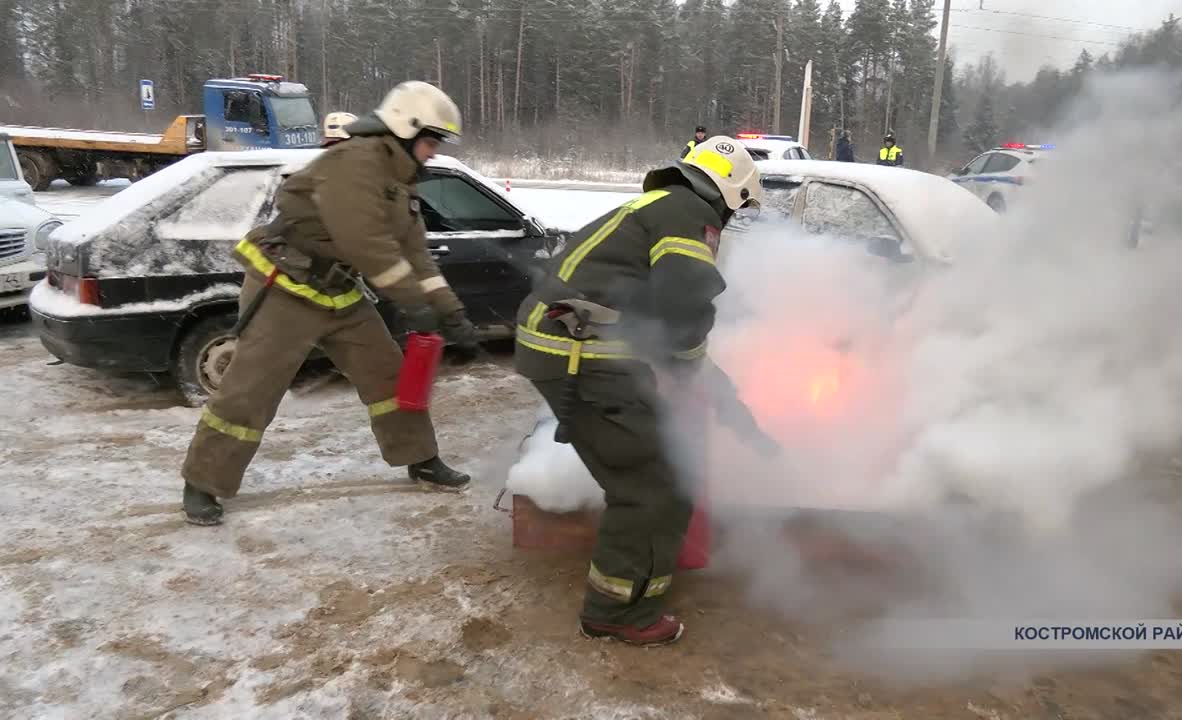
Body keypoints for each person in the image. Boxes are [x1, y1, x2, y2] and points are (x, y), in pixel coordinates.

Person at [180, 80, 480, 526]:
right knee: (251, 389)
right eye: (431, 141)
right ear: (406, 130)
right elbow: (367, 243)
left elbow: (415, 253)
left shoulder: (401, 183)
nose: (434, 152)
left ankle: (420, 458)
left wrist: (450, 311)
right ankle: (203, 482)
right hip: (286, 285)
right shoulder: (355, 163)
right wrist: (414, 302)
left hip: (338, 291)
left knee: (389, 375)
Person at [513, 135, 763, 646]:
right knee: (650, 486)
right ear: (731, 194)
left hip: (577, 349)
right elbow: (686, 304)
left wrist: (717, 391)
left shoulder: (660, 205)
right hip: (581, 355)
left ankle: (628, 601)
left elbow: (660, 322)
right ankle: (615, 613)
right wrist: (694, 369)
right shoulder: (690, 214)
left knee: (659, 481)